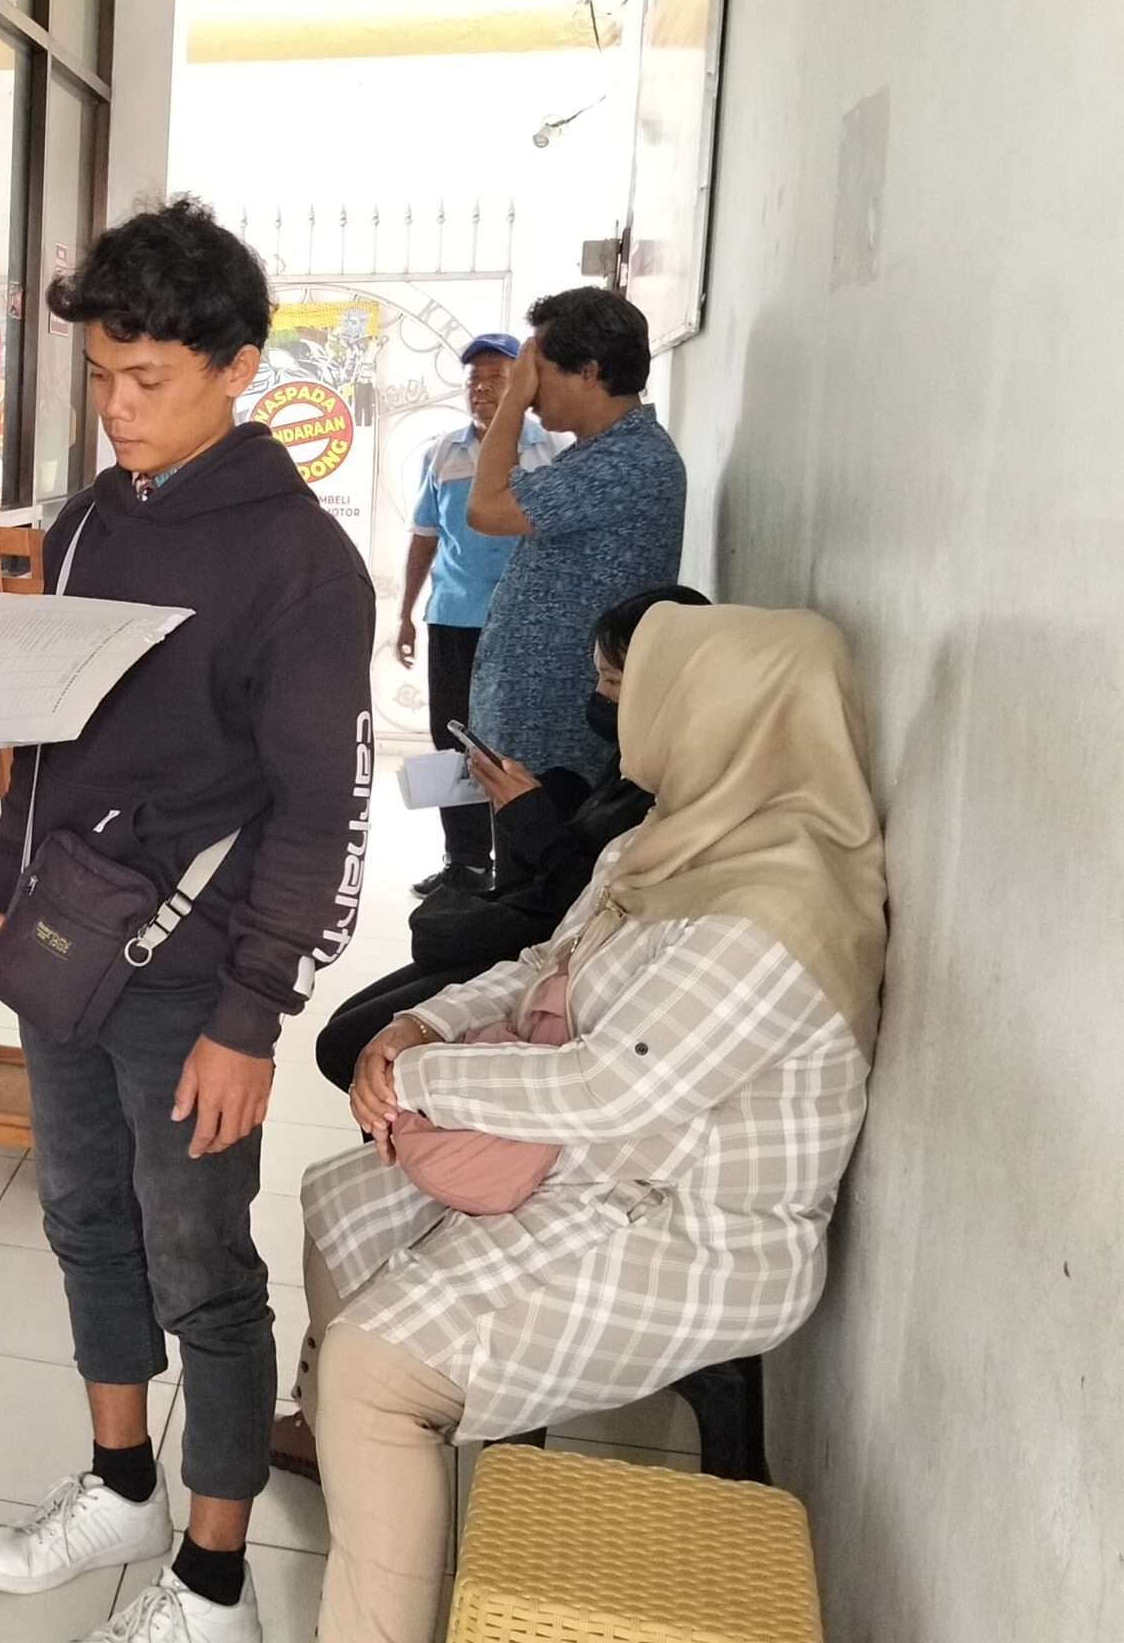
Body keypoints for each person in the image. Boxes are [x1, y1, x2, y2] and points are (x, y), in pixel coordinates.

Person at [0, 200, 376, 1643]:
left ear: (238, 368)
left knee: (203, 1268)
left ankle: (214, 1581)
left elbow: (319, 814)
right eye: (99, 376)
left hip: (195, 980)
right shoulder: (86, 520)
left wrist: (251, 1018)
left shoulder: (301, 562)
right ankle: (122, 1483)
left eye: (148, 379)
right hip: (69, 940)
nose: (117, 408)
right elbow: (44, 743)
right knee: (82, 1221)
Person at [296, 603, 887, 1643]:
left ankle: (373, 1476)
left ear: (721, 713)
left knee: (372, 1374)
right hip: (596, 1161)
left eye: (651, 689)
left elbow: (614, 1089)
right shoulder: (673, 840)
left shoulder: (783, 909)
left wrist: (419, 1077)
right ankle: (359, 1459)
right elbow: (543, 962)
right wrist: (422, 1022)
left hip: (687, 1225)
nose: (628, 710)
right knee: (340, 1197)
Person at [315, 583, 711, 1099]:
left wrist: (533, 821)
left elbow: (595, 909)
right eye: (598, 676)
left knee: (350, 1044)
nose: (600, 695)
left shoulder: (680, 791)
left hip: (565, 961)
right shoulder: (636, 755)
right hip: (534, 936)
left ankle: (417, 1136)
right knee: (349, 1030)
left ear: (666, 681)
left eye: (613, 679)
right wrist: (536, 804)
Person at [463, 287, 686, 781]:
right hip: (547, 733)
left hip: (566, 743)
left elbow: (485, 508)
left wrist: (511, 403)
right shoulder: (599, 454)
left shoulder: (627, 460)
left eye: (536, 372)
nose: (529, 389)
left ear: (587, 371)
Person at [396, 332, 561, 895]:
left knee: (513, 739)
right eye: (474, 380)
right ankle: (465, 861)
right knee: (452, 739)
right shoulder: (443, 453)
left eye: (496, 377)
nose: (482, 388)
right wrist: (405, 614)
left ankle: (520, 860)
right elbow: (425, 537)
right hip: (452, 616)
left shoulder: (551, 451)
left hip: (521, 622)